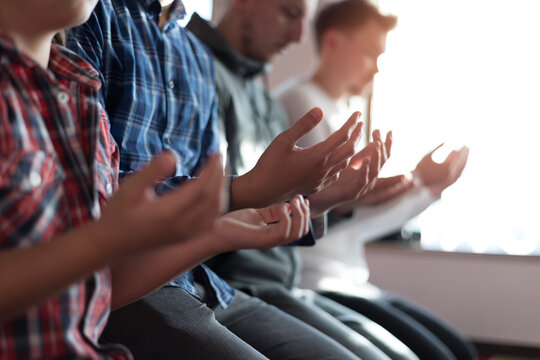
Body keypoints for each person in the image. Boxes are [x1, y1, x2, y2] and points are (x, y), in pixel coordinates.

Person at [66, 0, 379, 359]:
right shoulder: (90, 16)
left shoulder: (197, 58)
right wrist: (250, 192)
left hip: (200, 277)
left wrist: (318, 196)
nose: (297, 37)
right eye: (289, 14)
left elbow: (215, 196)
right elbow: (91, 194)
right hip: (128, 280)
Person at [0, 0, 298, 358]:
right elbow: (97, 252)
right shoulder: (95, 38)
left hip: (189, 282)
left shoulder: (81, 90)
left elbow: (98, 283)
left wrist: (214, 234)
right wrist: (103, 242)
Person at [185, 1, 435, 360]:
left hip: (281, 281)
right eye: (289, 13)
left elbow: (273, 206)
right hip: (238, 283)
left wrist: (339, 198)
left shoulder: (263, 95)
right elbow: (209, 206)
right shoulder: (197, 71)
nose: (301, 35)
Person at [276, 1, 475, 359]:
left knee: (458, 348)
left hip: (349, 278)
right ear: (333, 42)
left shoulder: (341, 112)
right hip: (315, 279)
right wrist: (418, 188)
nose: (377, 67)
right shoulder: (301, 104)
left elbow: (351, 216)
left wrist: (425, 189)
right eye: (370, 53)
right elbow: (329, 216)